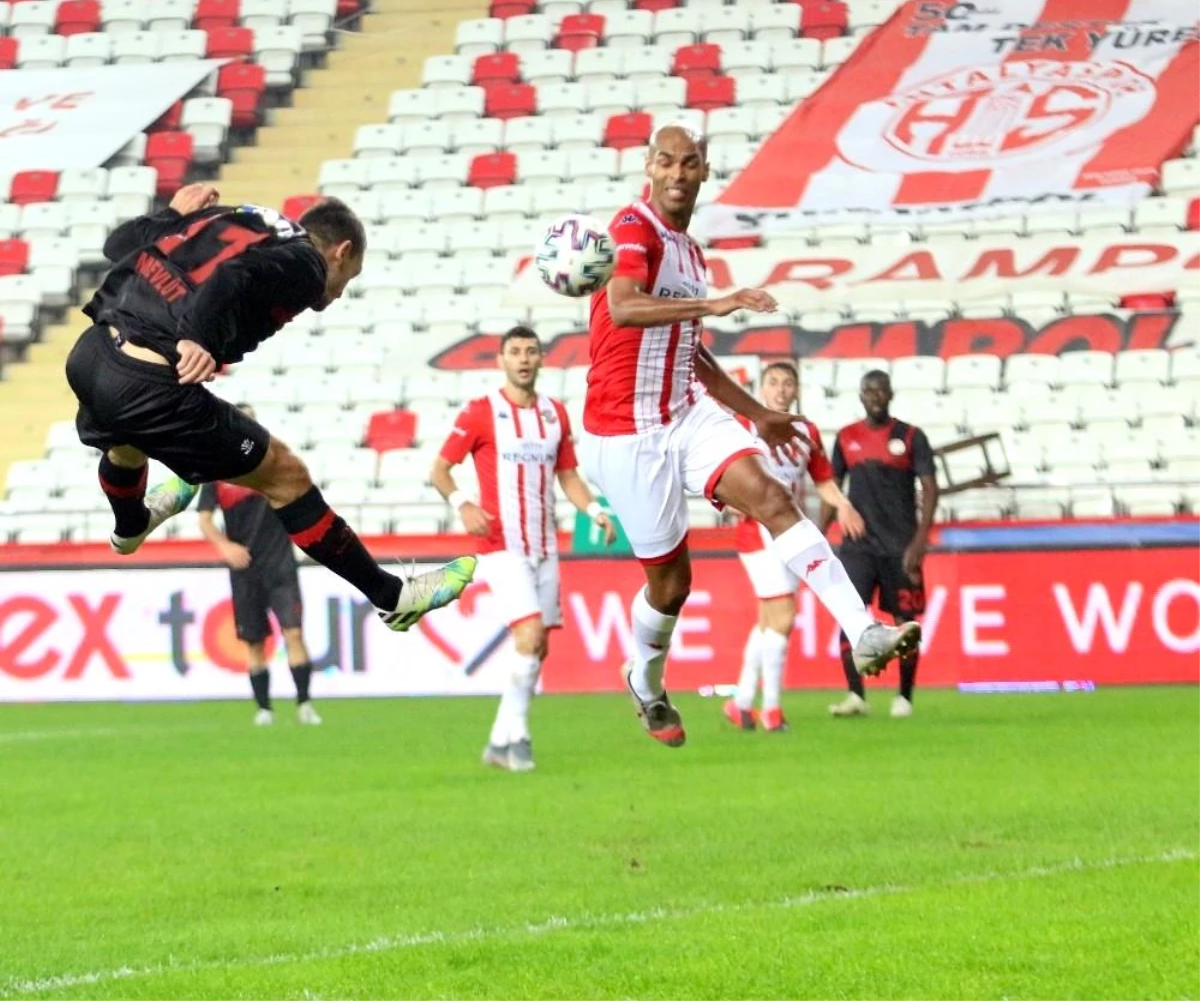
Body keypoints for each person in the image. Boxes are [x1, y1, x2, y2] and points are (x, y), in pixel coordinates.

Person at [578, 121, 920, 748]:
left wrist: (754, 413)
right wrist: (716, 304)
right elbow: (625, 306)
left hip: (684, 412)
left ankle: (863, 630)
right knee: (671, 585)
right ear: (648, 168)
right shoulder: (632, 228)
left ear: (705, 172)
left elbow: (691, 353)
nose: (678, 174)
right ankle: (646, 681)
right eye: (666, 162)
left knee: (773, 497)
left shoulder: (692, 254)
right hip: (625, 433)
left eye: (690, 164)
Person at [65, 184, 475, 632]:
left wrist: (169, 215)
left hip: (91, 355)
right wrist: (197, 337)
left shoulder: (233, 217)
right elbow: (231, 277)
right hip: (148, 381)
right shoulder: (307, 260)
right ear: (342, 250)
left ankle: (130, 526)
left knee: (125, 445)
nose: (337, 293)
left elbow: (117, 246)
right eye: (349, 277)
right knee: (286, 476)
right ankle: (393, 598)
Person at [432, 325, 615, 773]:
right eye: (515, 352)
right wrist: (463, 503)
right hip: (501, 544)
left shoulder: (554, 414)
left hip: (544, 545)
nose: (524, 359)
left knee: (537, 648)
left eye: (531, 351)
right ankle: (520, 740)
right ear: (501, 360)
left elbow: (567, 475)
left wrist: (594, 511)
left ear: (541, 359)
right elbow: (440, 469)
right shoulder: (481, 412)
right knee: (529, 634)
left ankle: (498, 740)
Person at [722, 361, 865, 732]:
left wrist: (843, 503)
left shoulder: (806, 430)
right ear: (761, 389)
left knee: (769, 620)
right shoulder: (742, 426)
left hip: (791, 531)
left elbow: (822, 479)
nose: (781, 390)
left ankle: (740, 702)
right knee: (784, 617)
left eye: (788, 383)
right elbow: (722, 474)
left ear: (796, 390)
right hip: (757, 531)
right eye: (773, 383)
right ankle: (771, 709)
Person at [822, 370, 939, 719]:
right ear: (861, 396)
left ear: (890, 394)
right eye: (869, 391)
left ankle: (904, 698)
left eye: (881, 391)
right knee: (850, 615)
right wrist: (817, 531)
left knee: (905, 622)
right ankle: (855, 696)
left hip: (901, 547)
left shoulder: (911, 436)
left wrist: (919, 542)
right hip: (858, 545)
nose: (875, 397)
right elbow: (832, 488)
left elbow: (931, 489)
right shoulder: (846, 438)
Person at [197, 403, 321, 727]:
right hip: (244, 568)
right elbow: (205, 518)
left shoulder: (273, 464)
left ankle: (305, 704)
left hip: (280, 564)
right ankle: (264, 709)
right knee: (253, 642)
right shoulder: (217, 472)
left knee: (294, 633)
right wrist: (224, 546)